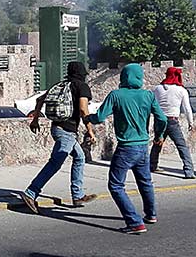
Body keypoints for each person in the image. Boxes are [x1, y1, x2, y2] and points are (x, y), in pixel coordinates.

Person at [87, 63, 168, 234]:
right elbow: (162, 118)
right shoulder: (148, 95)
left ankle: (134, 222)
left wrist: (87, 117)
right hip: (143, 147)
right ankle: (151, 214)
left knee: (116, 185)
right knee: (145, 181)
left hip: (126, 148)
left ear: (123, 77)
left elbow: (99, 117)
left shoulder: (116, 95)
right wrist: (159, 136)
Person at [21, 62, 98, 213]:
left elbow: (39, 100)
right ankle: (31, 192)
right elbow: (83, 109)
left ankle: (78, 195)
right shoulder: (82, 87)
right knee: (55, 163)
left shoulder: (60, 85)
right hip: (68, 132)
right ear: (82, 74)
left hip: (57, 128)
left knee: (80, 157)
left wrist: (35, 119)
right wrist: (90, 130)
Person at [150, 67, 196, 178]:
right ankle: (188, 171)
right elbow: (187, 108)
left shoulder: (157, 89)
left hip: (159, 120)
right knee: (181, 146)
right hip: (172, 120)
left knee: (157, 143)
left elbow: (152, 104)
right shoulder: (181, 90)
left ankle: (152, 165)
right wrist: (191, 122)